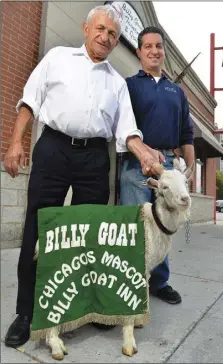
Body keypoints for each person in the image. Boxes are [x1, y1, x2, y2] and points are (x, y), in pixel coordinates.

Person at [4, 6, 164, 348]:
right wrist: (16, 141)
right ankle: (26, 313)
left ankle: (78, 308)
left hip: (94, 157)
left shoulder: (117, 83)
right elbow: (29, 101)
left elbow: (127, 132)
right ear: (86, 27)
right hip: (54, 149)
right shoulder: (57, 58)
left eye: (113, 35)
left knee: (87, 235)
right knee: (38, 228)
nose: (106, 38)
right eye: (101, 30)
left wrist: (144, 153)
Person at [120, 26, 195, 305]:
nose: (154, 50)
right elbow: (121, 125)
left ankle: (159, 281)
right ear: (139, 51)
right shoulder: (129, 85)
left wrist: (190, 166)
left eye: (158, 46)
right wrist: (141, 153)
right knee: (135, 226)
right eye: (148, 46)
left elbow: (187, 135)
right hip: (134, 163)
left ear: (163, 52)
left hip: (169, 165)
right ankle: (128, 283)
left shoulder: (177, 91)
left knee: (165, 226)